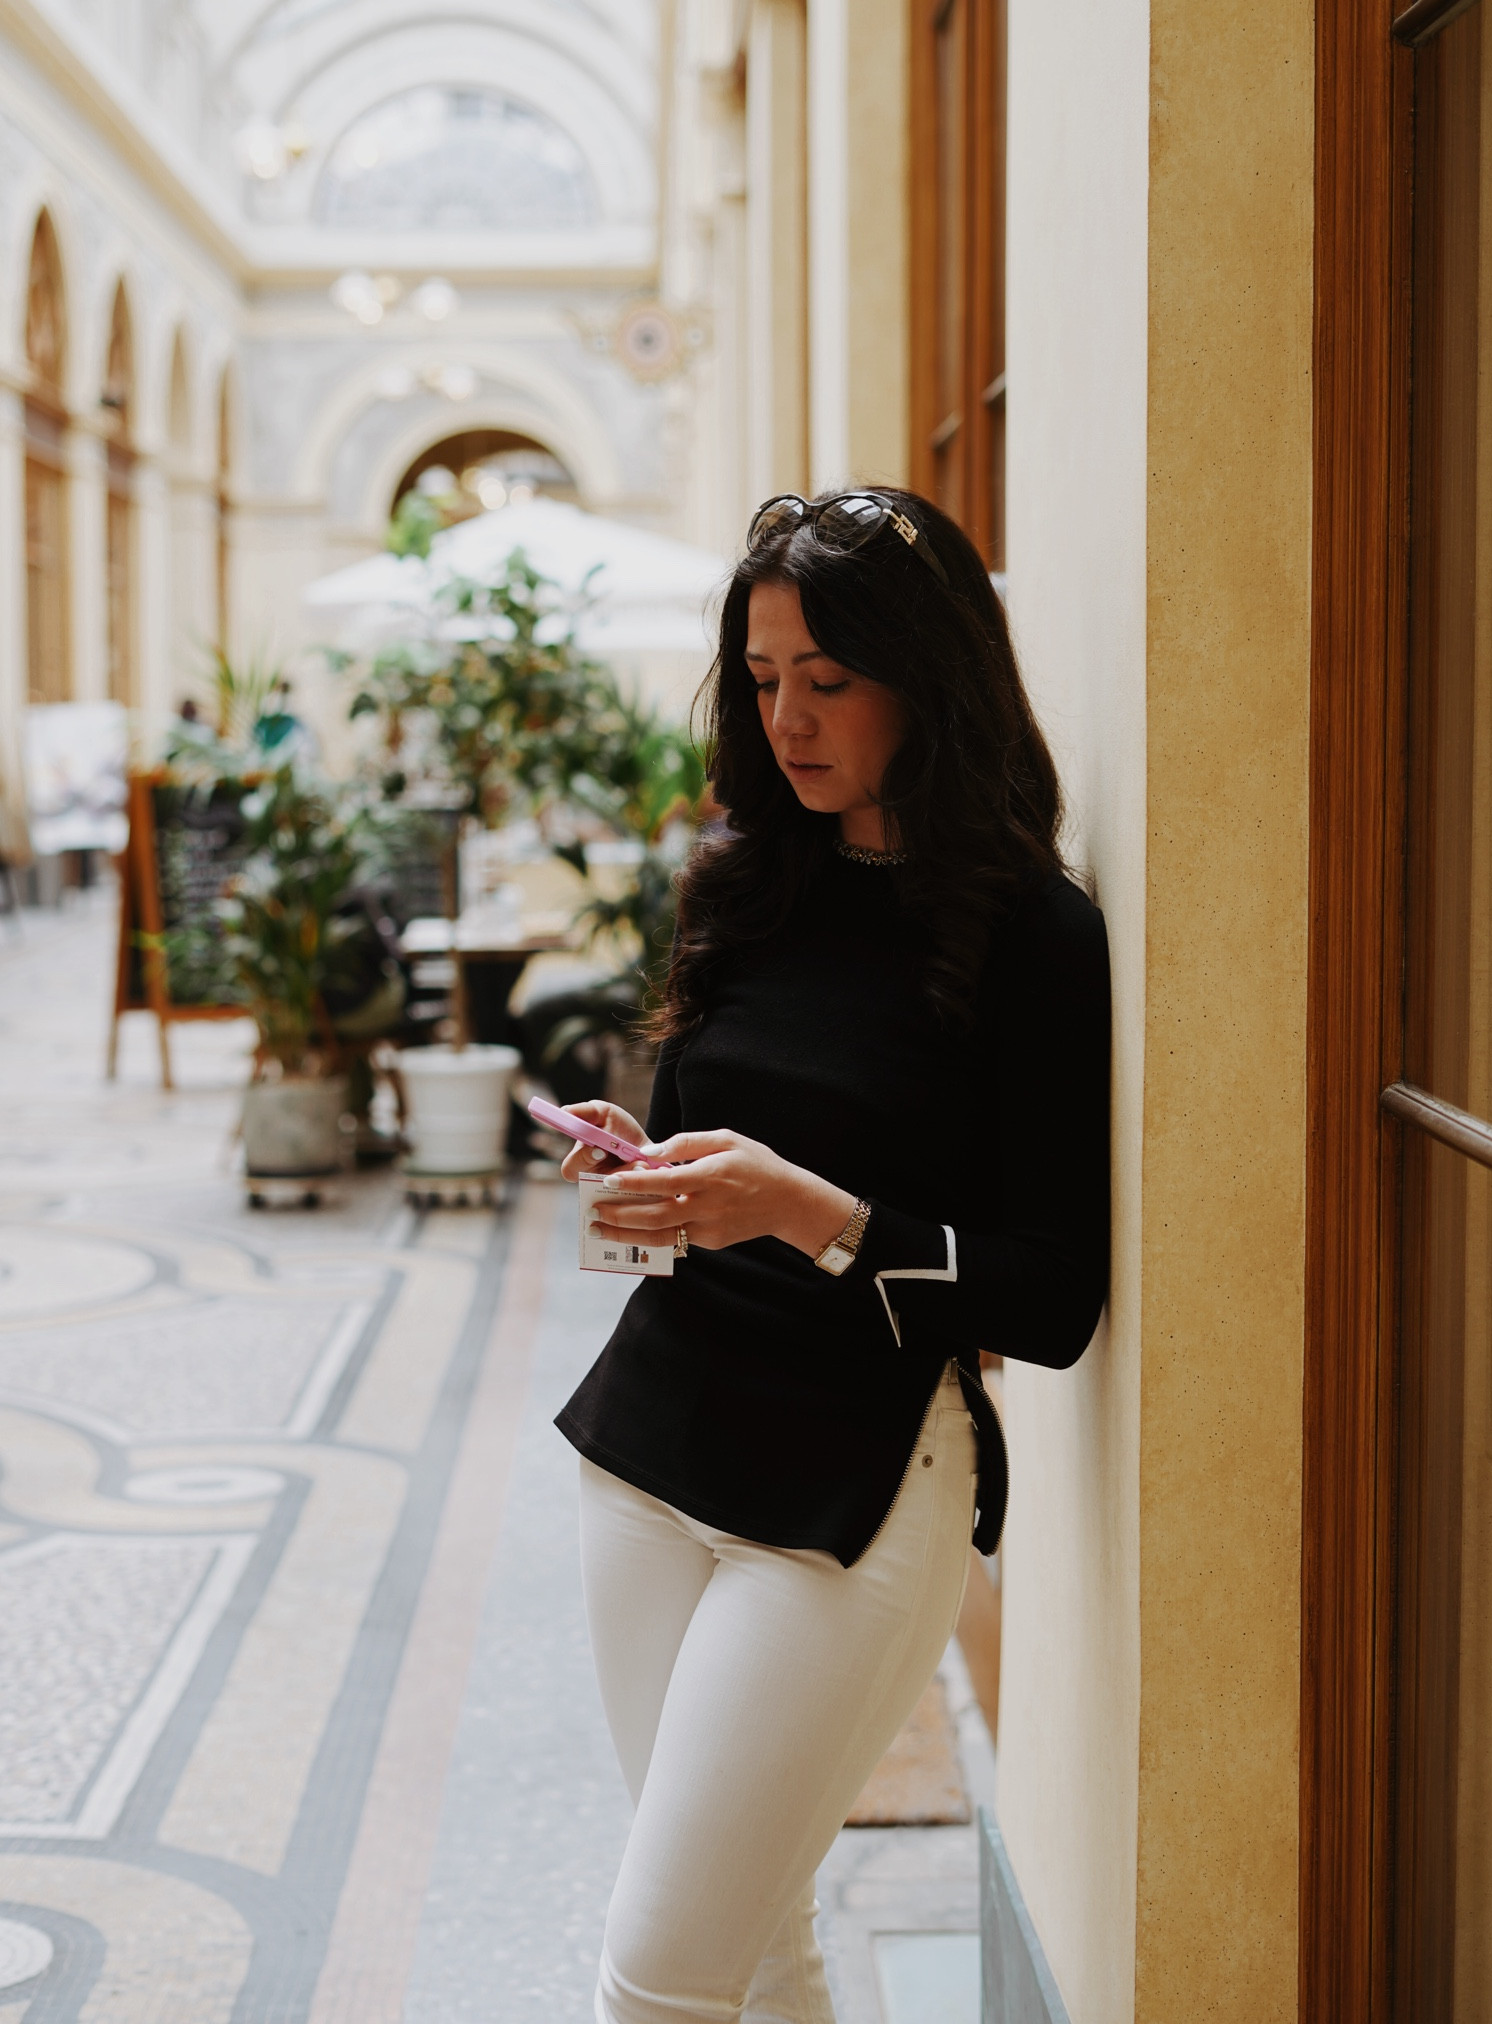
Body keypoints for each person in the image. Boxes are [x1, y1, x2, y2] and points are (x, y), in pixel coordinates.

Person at [553, 488, 1111, 2024]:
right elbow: (697, 1178)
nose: (786, 719)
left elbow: (1055, 1298)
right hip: (648, 1450)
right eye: (760, 678)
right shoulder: (745, 883)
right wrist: (641, 1179)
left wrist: (820, 1214)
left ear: (928, 680)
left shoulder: (1035, 937)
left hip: (852, 1491)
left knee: (656, 1979)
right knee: (756, 1943)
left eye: (828, 679)